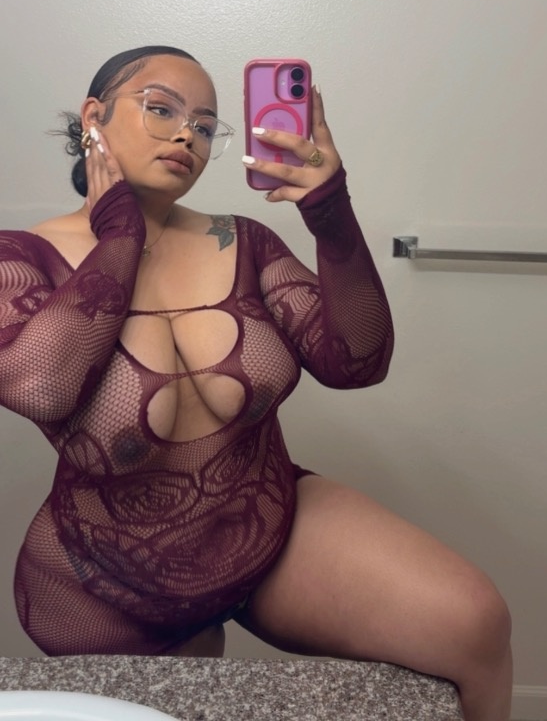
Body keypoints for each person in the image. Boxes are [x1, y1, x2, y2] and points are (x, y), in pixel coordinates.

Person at [0, 46, 511, 721]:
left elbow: (357, 363)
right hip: (105, 583)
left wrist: (329, 212)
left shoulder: (245, 242)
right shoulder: (20, 257)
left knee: (475, 623)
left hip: (268, 531)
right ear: (94, 117)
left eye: (205, 125)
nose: (187, 136)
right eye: (161, 110)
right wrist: (120, 230)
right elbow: (39, 386)